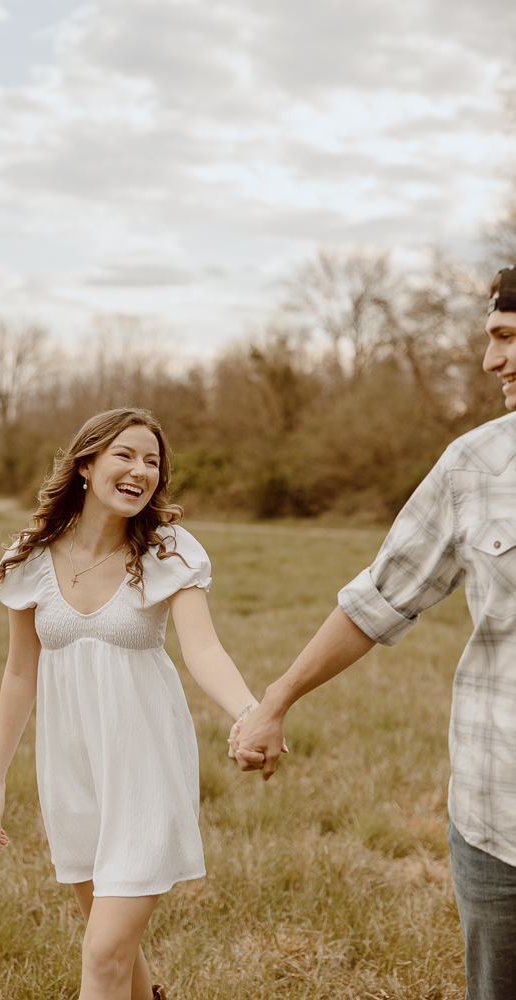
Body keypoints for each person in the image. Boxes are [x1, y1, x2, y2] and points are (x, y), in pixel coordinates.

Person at [230, 266, 516, 1000]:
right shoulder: (473, 467)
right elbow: (377, 598)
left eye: (505, 337)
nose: (491, 362)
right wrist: (277, 696)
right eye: (490, 339)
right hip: (498, 820)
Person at [0, 406, 264, 1000]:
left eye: (153, 461)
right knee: (112, 948)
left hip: (144, 770)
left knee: (103, 955)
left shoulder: (167, 551)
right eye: (125, 455)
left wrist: (249, 712)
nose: (141, 470)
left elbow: (204, 650)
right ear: (86, 464)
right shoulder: (29, 559)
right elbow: (18, 672)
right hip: (72, 774)